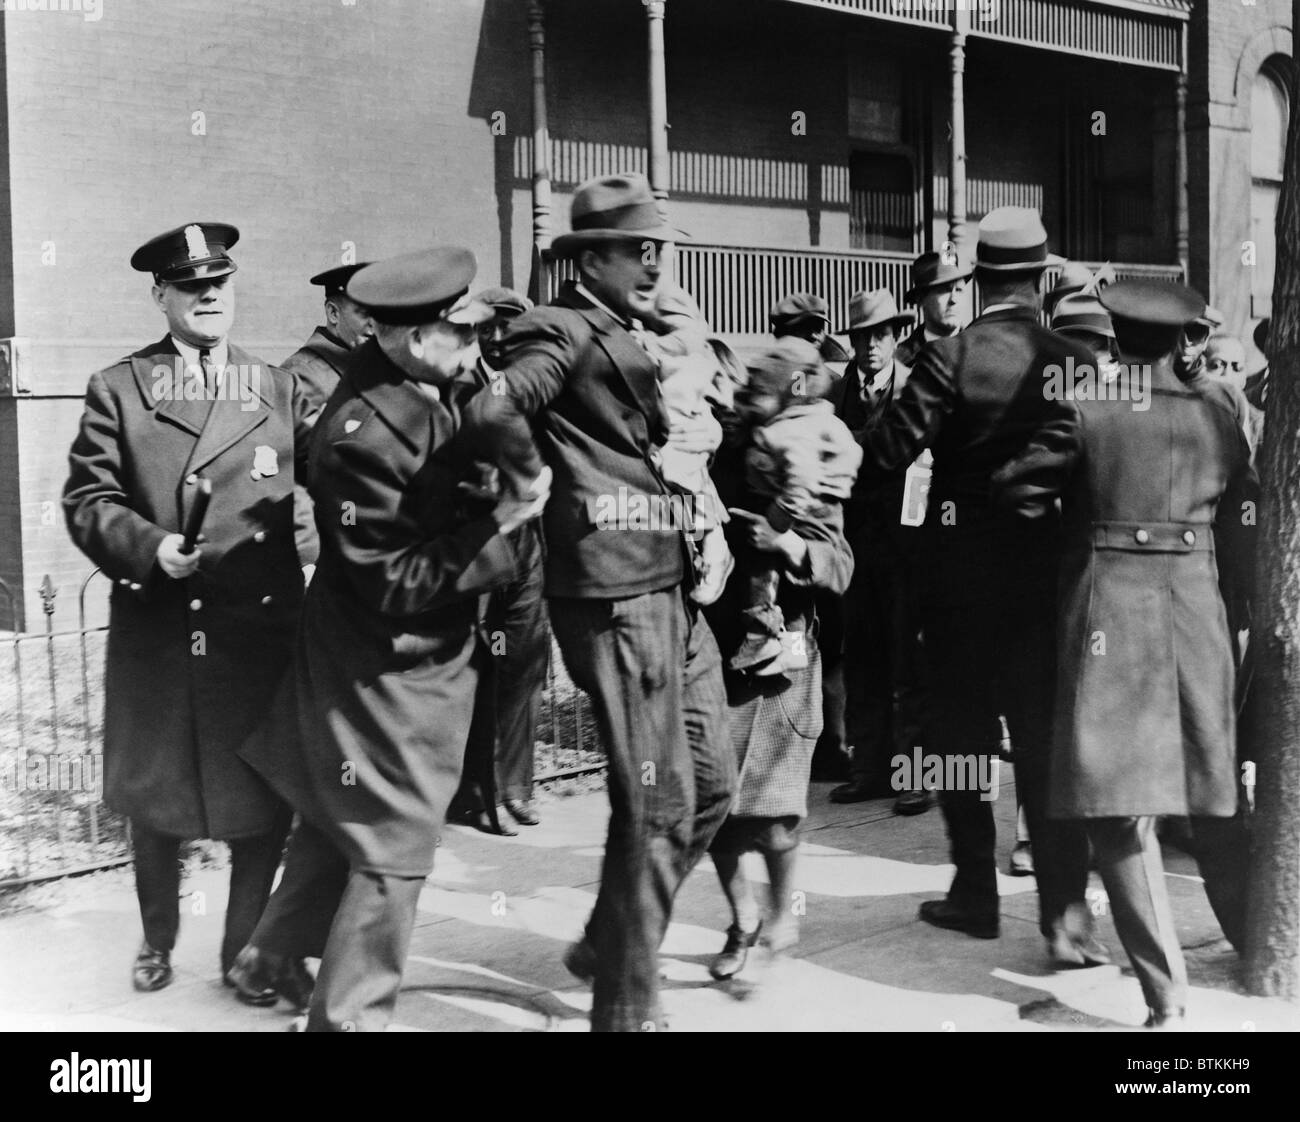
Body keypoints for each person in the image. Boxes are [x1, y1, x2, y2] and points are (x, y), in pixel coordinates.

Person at [230, 247, 549, 1031]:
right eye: (459, 334)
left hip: (398, 660)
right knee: (395, 846)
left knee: (346, 822)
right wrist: (501, 522)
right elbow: (394, 580)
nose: (476, 352)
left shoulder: (422, 385)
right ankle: (348, 1017)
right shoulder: (360, 433)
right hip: (381, 664)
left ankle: (266, 956)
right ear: (409, 337)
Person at [461, 172, 734, 1032]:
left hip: (670, 582)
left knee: (713, 788)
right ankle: (625, 1008)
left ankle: (611, 935)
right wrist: (535, 479)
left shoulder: (628, 327)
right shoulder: (561, 327)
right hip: (615, 594)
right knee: (655, 802)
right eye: (634, 251)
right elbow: (493, 404)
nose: (652, 265)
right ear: (589, 256)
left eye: (658, 249)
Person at [993, 280, 1258, 1026]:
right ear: (1183, 340)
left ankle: (1166, 997)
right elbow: (1244, 508)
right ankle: (1253, 945)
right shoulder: (1219, 414)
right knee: (1211, 796)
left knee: (1117, 813)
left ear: (1115, 337)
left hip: (1109, 618)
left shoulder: (1086, 409)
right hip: (1197, 618)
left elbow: (1015, 494)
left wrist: (1079, 526)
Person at [62, 222, 311, 998]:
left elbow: (325, 483)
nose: (210, 298)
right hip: (163, 631)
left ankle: (245, 953)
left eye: (221, 286)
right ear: (161, 296)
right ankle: (157, 940)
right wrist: (149, 547)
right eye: (193, 288)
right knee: (157, 803)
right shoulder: (120, 387)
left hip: (256, 630)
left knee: (262, 802)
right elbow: (87, 499)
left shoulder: (276, 388)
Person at [853, 207, 1105, 969]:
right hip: (1044, 578)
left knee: (959, 742)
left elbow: (888, 451)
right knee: (1042, 742)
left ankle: (974, 894)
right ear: (1038, 278)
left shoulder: (951, 357)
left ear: (981, 279)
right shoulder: (1070, 357)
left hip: (957, 584)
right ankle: (1065, 916)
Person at [703, 340, 855, 978]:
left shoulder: (803, 463)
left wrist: (786, 543)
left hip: (788, 643)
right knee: (712, 808)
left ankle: (781, 914)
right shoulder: (705, 459)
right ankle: (742, 918)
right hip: (712, 649)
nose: (734, 408)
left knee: (774, 812)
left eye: (744, 397)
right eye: (728, 397)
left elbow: (839, 566)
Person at [827, 289, 932, 817]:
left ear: (896, 338)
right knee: (862, 656)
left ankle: (916, 772)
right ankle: (869, 768)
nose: (871, 346)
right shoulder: (835, 391)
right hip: (855, 545)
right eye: (863, 337)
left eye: (881, 335)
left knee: (910, 659)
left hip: (907, 546)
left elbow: (925, 458)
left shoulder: (916, 390)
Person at [452, 286, 550, 835]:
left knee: (525, 665)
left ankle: (517, 787)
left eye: (507, 326)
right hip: (481, 538)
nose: (496, 337)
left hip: (530, 543)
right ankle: (482, 795)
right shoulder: (460, 385)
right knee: (483, 664)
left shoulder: (535, 389)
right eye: (486, 326)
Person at [729, 339, 860, 676]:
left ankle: (770, 640)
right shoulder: (804, 424)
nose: (744, 408)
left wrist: (782, 535)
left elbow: (839, 565)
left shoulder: (791, 432)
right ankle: (782, 646)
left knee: (788, 593)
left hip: (797, 522)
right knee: (790, 601)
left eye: (758, 397)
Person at [280, 262, 373, 569]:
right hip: (333, 548)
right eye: (363, 313)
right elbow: (297, 479)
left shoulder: (368, 368)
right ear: (333, 314)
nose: (376, 324)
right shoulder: (301, 377)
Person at [895, 250, 970, 368]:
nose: (954, 300)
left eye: (959, 290)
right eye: (944, 290)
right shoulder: (898, 363)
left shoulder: (981, 354)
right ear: (921, 300)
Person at [770, 292, 852, 365]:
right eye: (806, 329)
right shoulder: (767, 370)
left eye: (819, 328)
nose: (814, 336)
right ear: (785, 333)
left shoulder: (833, 370)